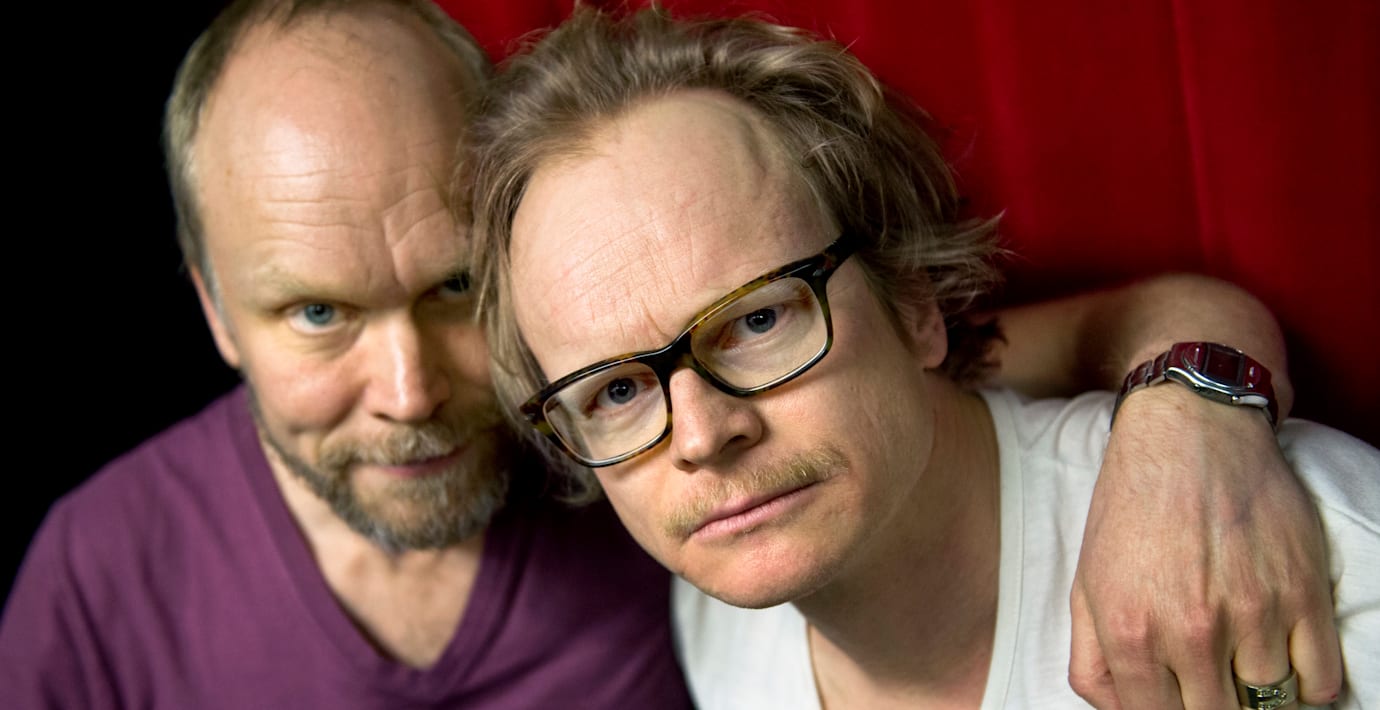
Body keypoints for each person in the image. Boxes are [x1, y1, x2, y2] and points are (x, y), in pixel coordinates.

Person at [470, 8, 1379, 709]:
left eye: (757, 320)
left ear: (912, 302)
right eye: (617, 391)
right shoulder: (713, 622)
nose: (702, 437)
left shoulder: (1302, 558)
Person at [0, 1, 690, 707]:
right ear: (214, 306)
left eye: (457, 285)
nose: (409, 395)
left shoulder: (659, 461)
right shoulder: (93, 582)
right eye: (319, 314)